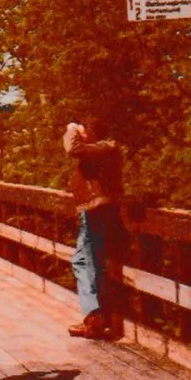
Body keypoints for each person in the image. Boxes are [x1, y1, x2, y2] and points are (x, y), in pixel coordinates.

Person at [63, 117, 125, 339]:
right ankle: (97, 317)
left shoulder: (105, 147)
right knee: (88, 261)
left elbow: (72, 148)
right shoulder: (102, 148)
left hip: (98, 212)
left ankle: (95, 319)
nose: (81, 135)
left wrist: (71, 129)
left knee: (87, 261)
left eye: (84, 131)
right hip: (94, 211)